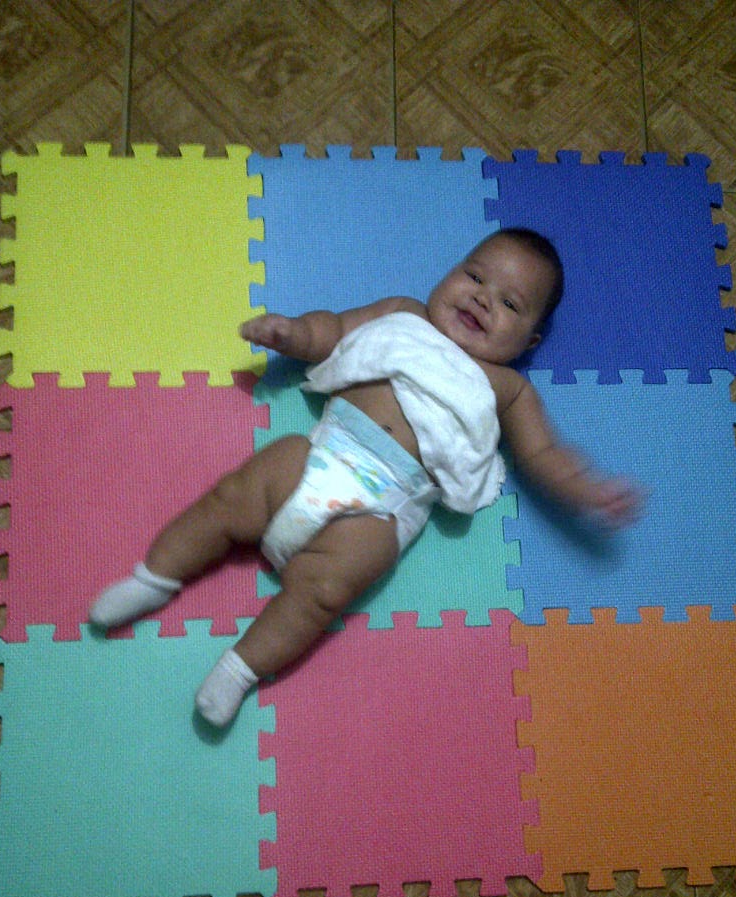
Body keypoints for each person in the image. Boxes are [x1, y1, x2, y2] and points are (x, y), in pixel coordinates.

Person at [90, 228, 641, 727]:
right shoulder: (403, 315)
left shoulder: (508, 389)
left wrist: (587, 490)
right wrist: (291, 333)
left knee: (325, 592)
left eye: (509, 303)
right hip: (323, 453)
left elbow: (544, 454)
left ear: (530, 341)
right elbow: (333, 330)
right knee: (233, 496)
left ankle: (239, 669)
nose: (482, 298)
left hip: (385, 507)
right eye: (474, 276)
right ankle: (154, 577)